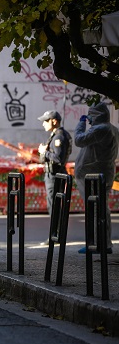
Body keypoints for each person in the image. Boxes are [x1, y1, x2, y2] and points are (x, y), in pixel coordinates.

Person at [74, 102, 119, 254]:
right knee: (101, 209)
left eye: (90, 116)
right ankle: (104, 243)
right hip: (102, 173)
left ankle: (94, 244)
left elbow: (79, 140)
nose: (89, 119)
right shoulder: (112, 129)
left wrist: (81, 124)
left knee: (94, 209)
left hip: (93, 175)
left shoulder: (101, 129)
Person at [37, 110, 72, 215]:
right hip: (53, 174)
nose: (43, 123)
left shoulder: (59, 137)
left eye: (46, 121)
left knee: (53, 206)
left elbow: (58, 158)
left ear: (54, 121)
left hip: (54, 175)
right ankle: (55, 229)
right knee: (53, 204)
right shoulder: (56, 135)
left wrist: (44, 152)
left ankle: (56, 230)